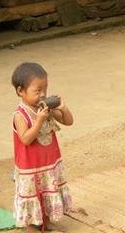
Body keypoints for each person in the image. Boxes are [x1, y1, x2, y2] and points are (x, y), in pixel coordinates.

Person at [11, 62, 73, 233]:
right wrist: (38, 121)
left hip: (48, 163)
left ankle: (46, 220)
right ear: (20, 91)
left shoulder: (45, 108)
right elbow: (25, 139)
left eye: (45, 89)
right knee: (32, 194)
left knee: (47, 190)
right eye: (37, 91)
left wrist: (62, 108)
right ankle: (31, 226)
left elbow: (68, 121)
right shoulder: (20, 115)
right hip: (30, 167)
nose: (43, 94)